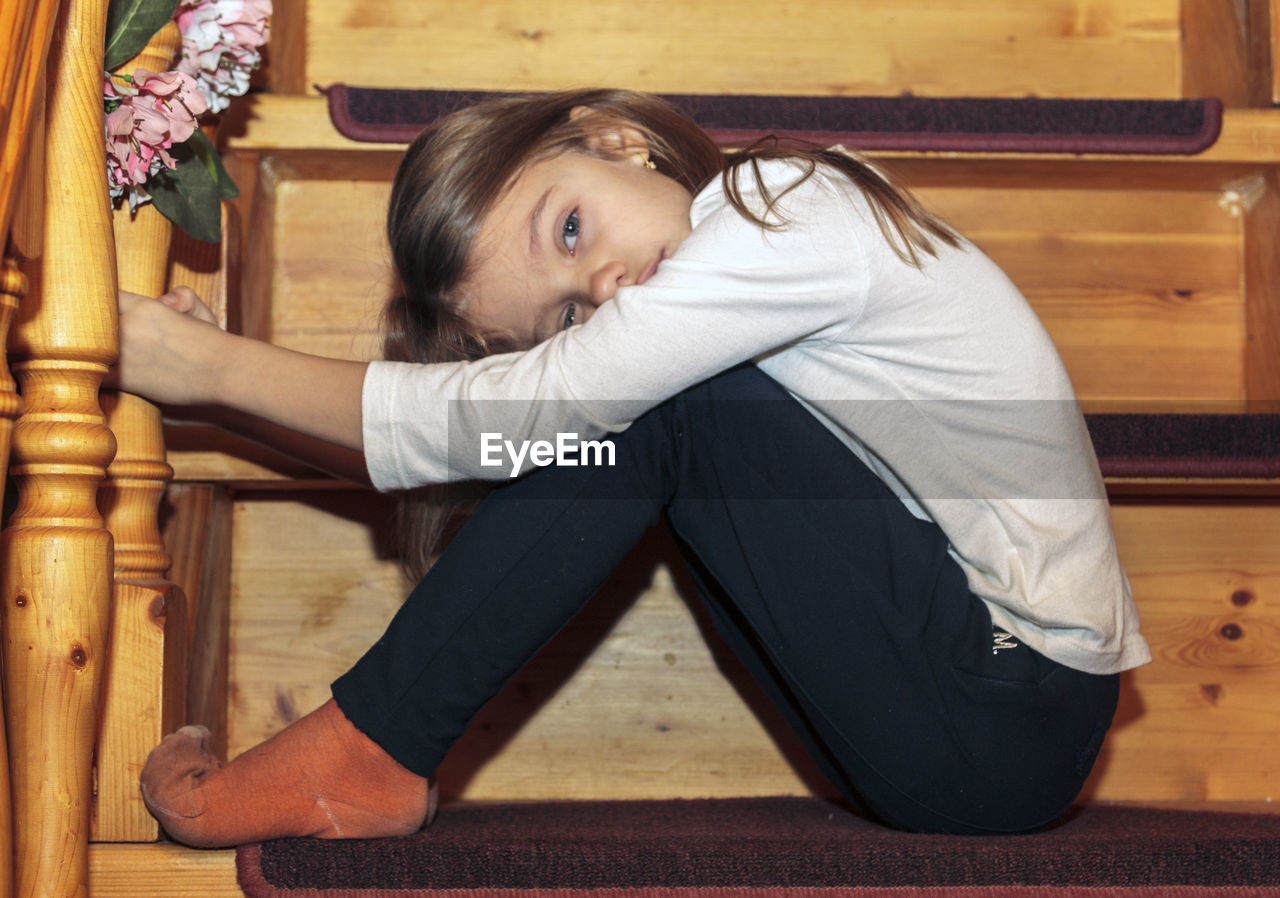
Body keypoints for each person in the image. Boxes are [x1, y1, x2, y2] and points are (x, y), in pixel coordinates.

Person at [120, 89, 1150, 848]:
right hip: (914, 726)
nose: (603, 287)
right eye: (564, 315)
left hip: (1007, 708)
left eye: (569, 228)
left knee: (645, 401)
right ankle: (365, 751)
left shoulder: (782, 204)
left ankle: (366, 752)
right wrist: (222, 387)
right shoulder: (717, 300)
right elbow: (502, 425)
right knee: (619, 405)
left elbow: (531, 408)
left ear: (614, 140)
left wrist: (216, 367)